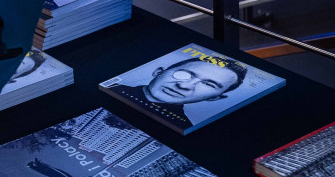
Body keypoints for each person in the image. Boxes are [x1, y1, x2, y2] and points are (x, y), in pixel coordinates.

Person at [104, 57, 247, 128]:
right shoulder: (110, 87)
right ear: (159, 72)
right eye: (184, 74)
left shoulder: (184, 126)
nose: (184, 85)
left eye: (208, 84)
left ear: (215, 98)